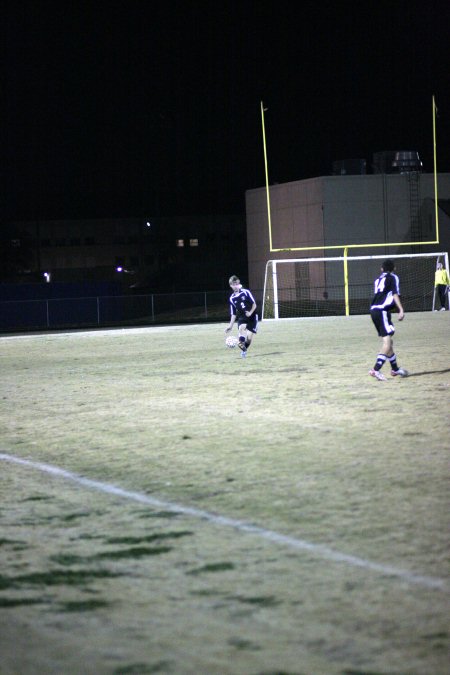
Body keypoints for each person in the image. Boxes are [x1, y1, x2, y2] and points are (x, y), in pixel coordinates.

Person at [369, 259, 408, 381]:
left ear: (382, 269)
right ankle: (375, 370)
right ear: (394, 268)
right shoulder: (393, 277)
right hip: (382, 311)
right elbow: (395, 294)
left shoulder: (378, 280)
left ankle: (395, 369)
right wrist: (400, 309)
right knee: (387, 342)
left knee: (389, 341)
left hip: (374, 310)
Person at [225, 275, 258, 358]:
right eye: (233, 284)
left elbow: (254, 304)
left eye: (236, 283)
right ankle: (240, 342)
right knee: (241, 328)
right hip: (242, 316)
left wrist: (250, 312)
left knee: (249, 339)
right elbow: (233, 313)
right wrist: (230, 326)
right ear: (231, 286)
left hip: (252, 316)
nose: (235, 286)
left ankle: (244, 350)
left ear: (238, 283)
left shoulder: (246, 292)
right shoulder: (232, 298)